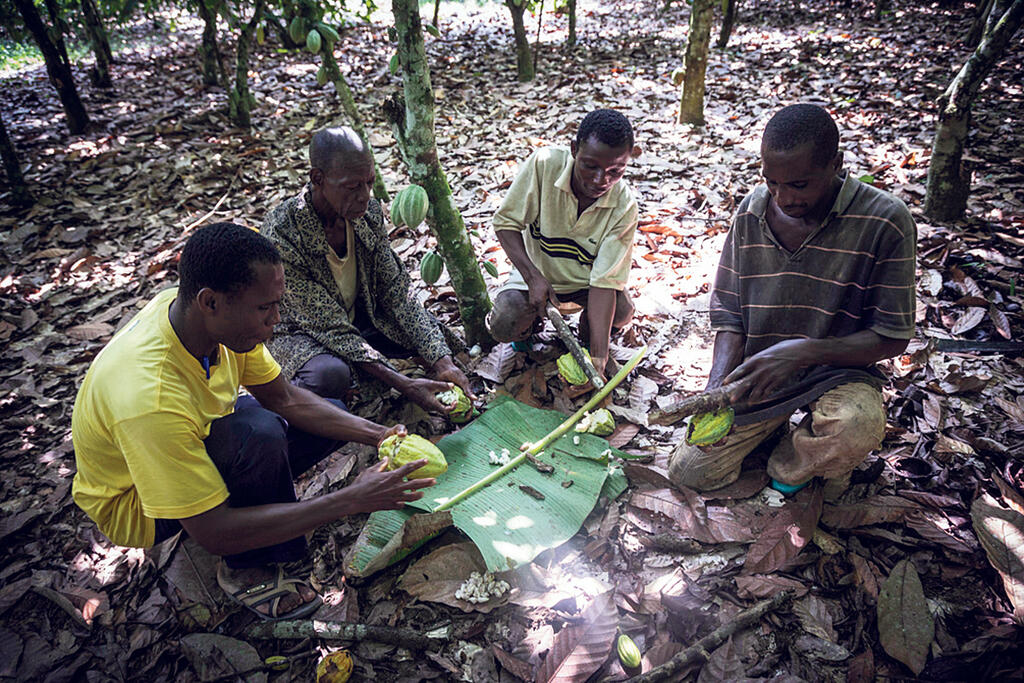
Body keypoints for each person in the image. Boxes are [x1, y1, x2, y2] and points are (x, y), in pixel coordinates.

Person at [71, 223, 434, 621]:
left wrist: (383, 436)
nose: (276, 319)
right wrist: (349, 501)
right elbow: (213, 532)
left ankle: (251, 508)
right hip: (136, 502)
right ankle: (244, 569)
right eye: (265, 308)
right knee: (256, 433)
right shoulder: (149, 401)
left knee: (329, 411)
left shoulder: (202, 322)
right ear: (210, 302)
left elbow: (286, 397)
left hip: (194, 434)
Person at [668, 103, 916, 499]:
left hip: (838, 373)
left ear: (835, 164)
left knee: (857, 424)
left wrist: (802, 353)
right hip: (763, 376)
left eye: (799, 185)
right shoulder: (751, 213)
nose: (783, 197)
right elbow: (730, 315)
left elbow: (893, 337)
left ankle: (792, 466)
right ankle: (773, 433)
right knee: (690, 472)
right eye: (771, 182)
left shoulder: (885, 220)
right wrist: (717, 388)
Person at [261, 127, 473, 415]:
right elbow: (329, 327)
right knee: (329, 375)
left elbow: (398, 292)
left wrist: (441, 360)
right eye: (352, 187)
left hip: (360, 318)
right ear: (317, 179)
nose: (364, 196)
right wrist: (404, 384)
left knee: (433, 338)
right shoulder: (283, 233)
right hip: (301, 333)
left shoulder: (367, 213)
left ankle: (379, 374)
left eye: (369, 183)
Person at [488, 108, 640, 379]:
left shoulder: (623, 206)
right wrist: (533, 277)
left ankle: (587, 334)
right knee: (505, 319)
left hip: (587, 286)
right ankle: (529, 331)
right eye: (590, 165)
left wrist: (599, 357)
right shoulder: (544, 165)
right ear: (574, 150)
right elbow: (505, 224)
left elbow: (604, 283)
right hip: (536, 278)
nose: (600, 180)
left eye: (615, 171)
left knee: (623, 310)